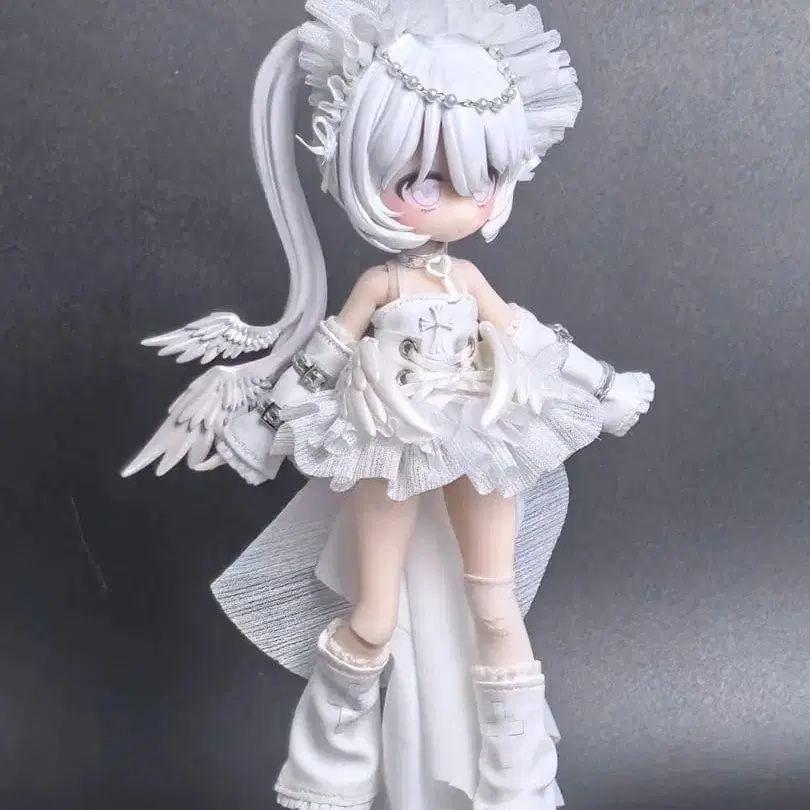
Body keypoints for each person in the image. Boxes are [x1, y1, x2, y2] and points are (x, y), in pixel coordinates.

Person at [121, 2, 654, 808]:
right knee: (373, 615)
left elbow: (530, 337)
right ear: (368, 175)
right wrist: (263, 426)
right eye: (423, 181)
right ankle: (329, 782)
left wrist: (604, 387)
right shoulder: (380, 283)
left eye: (480, 178)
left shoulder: (467, 278)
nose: (458, 202)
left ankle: (518, 789)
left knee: (494, 605)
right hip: (388, 442)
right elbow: (322, 358)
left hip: (482, 436)